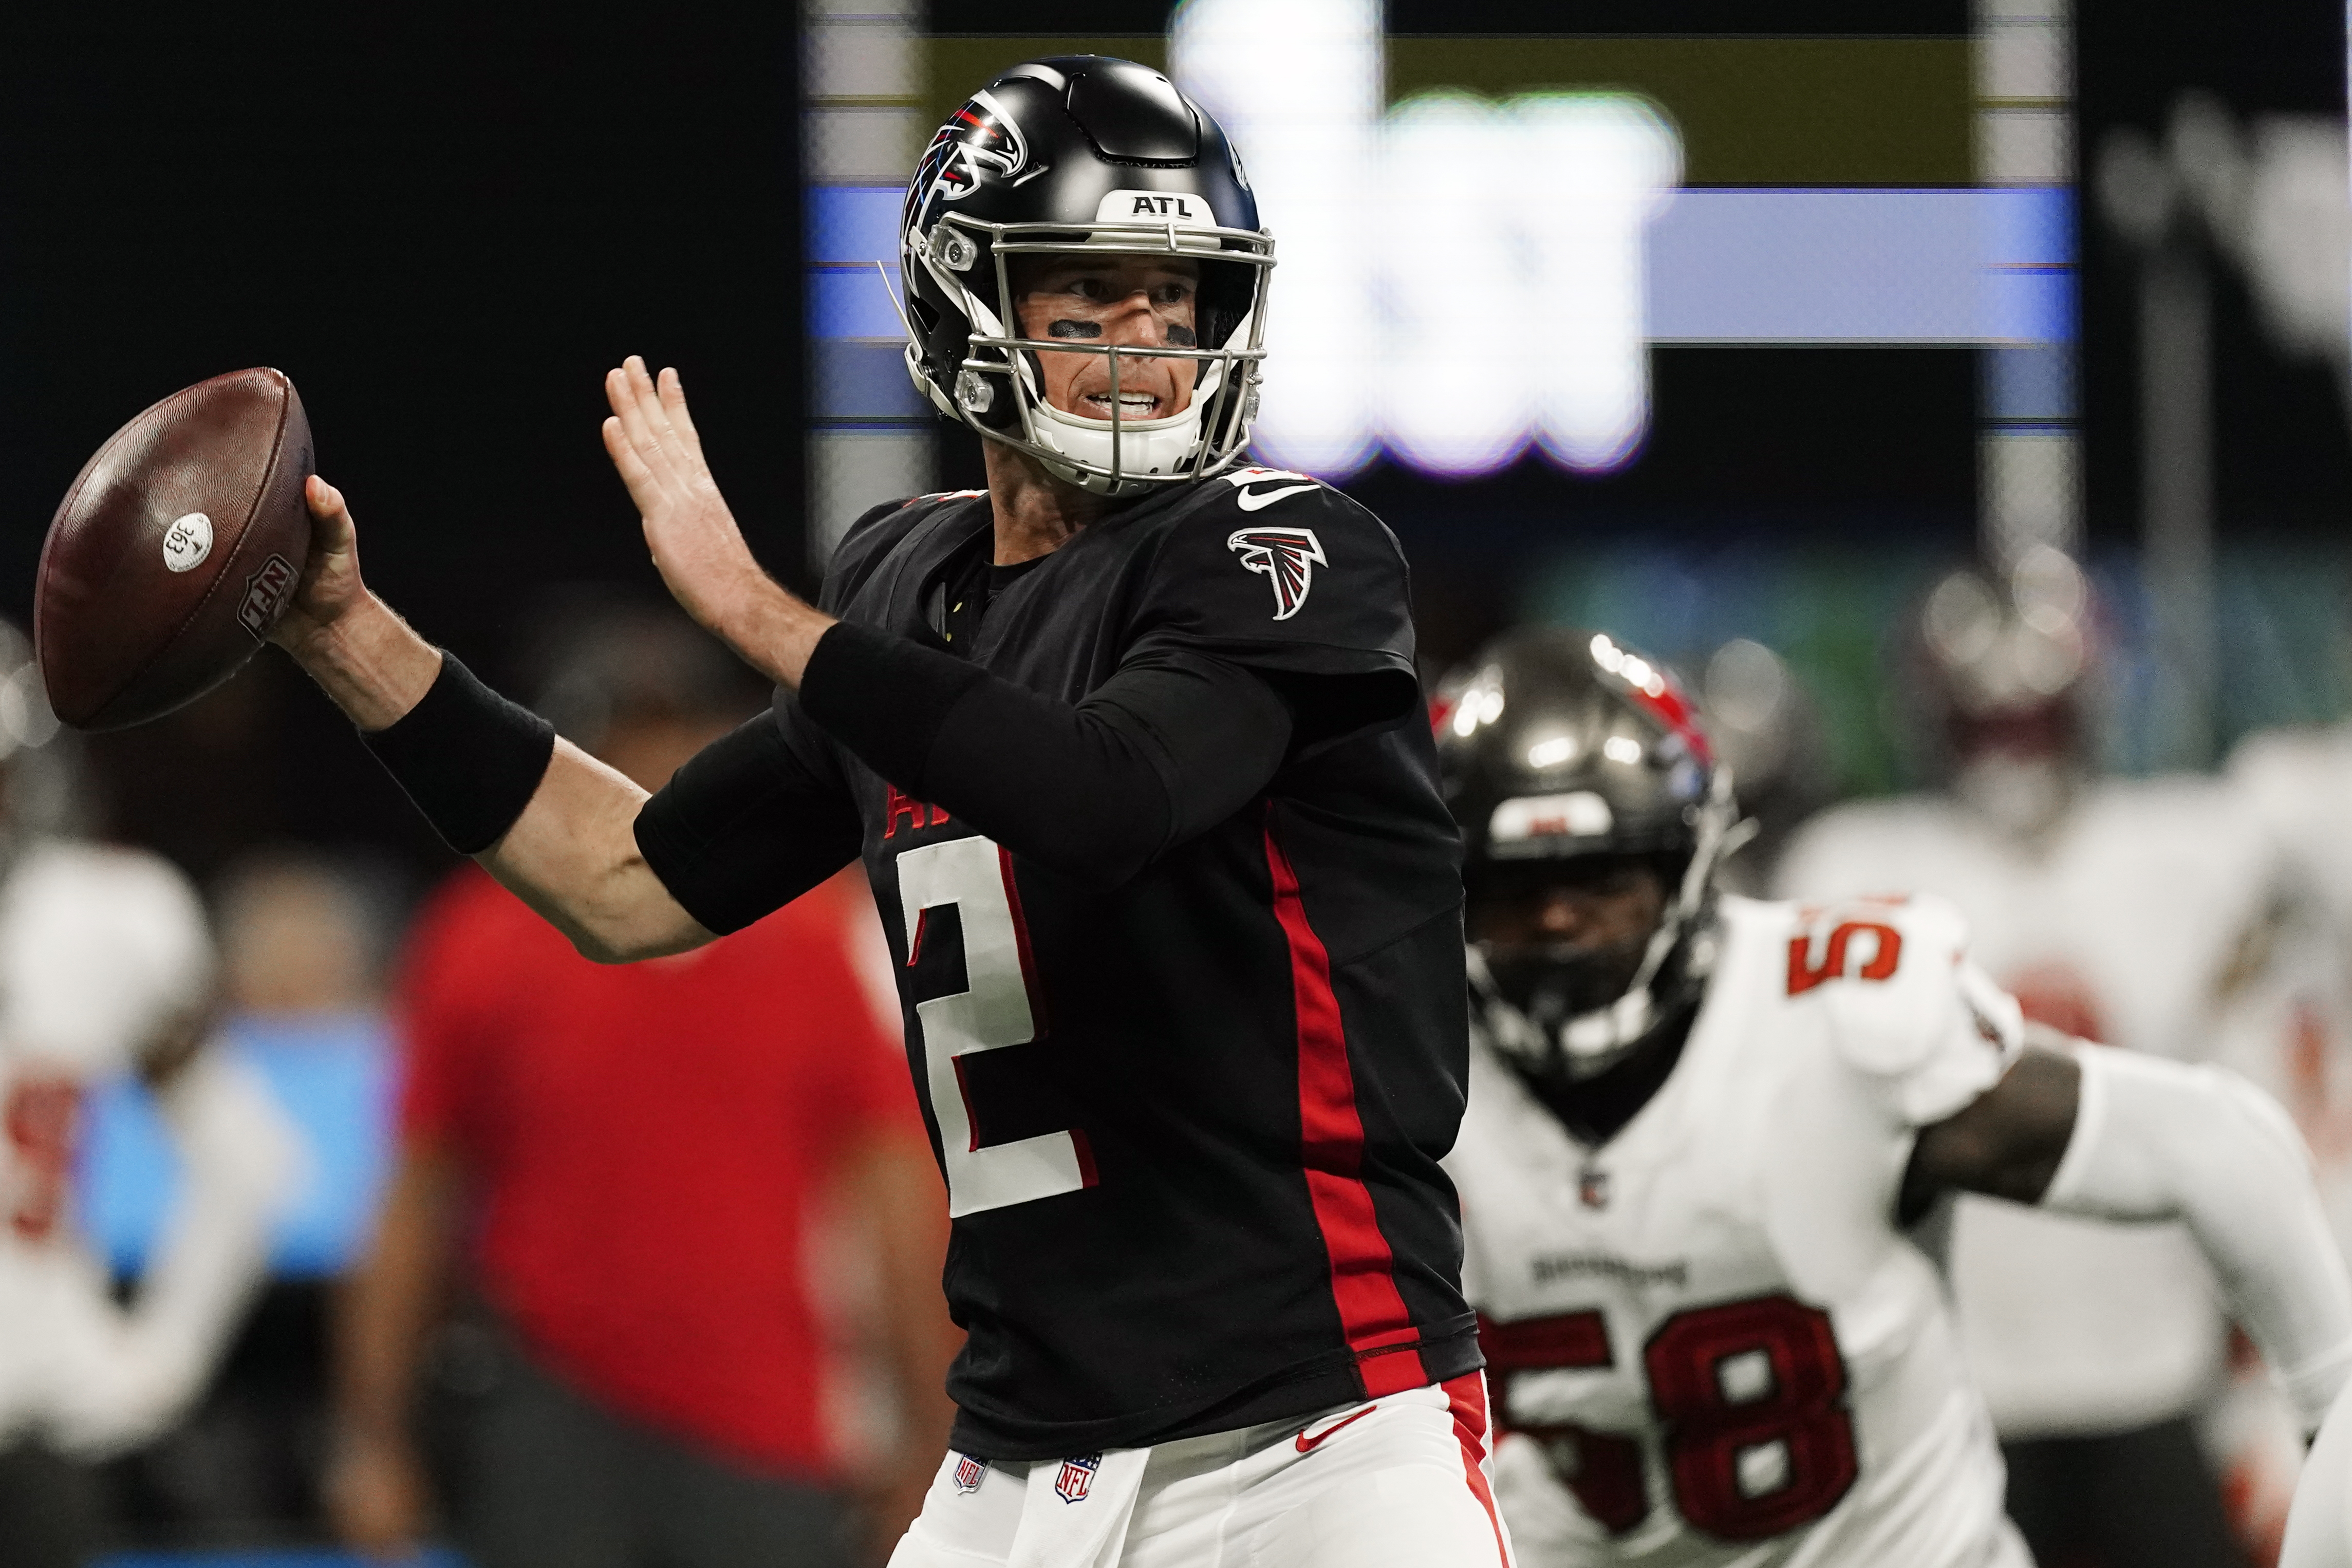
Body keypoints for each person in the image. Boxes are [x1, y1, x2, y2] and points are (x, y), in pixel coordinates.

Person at [265, 53, 1504, 1568]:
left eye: (1175, 300)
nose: (1148, 343)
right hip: (1018, 1469)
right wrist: (342, 630)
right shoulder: (912, 591)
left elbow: (1105, 794)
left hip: (1310, 1446)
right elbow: (624, 881)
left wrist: (753, 611)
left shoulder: (1284, 550)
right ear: (960, 302)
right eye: (1091, 292)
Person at [1434, 625, 2352, 1566]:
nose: (1556, 925)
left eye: (1600, 877)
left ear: (1688, 865)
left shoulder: (1832, 1023)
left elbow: (2215, 1146)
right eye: (1509, 887)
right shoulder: (1397, 1079)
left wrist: (2333, 1423)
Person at [326, 606, 956, 1568]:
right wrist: (372, 1437)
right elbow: (415, 1201)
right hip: (558, 1405)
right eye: (633, 734)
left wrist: (927, 1442)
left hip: (762, 1421)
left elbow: (895, 1200)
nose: (656, 760)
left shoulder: (805, 942)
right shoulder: (482, 942)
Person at [1774, 548, 2293, 1564]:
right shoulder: (1858, 863)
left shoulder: (2186, 850)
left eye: (2035, 718)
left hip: (2151, 1368)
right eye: (1985, 721)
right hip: (1952, 1384)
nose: (2012, 751)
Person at [0, 622, 300, 1567]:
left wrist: (156, 1365)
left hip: (31, 1431)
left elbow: (248, 1164)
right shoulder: (96, 921)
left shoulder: (104, 924)